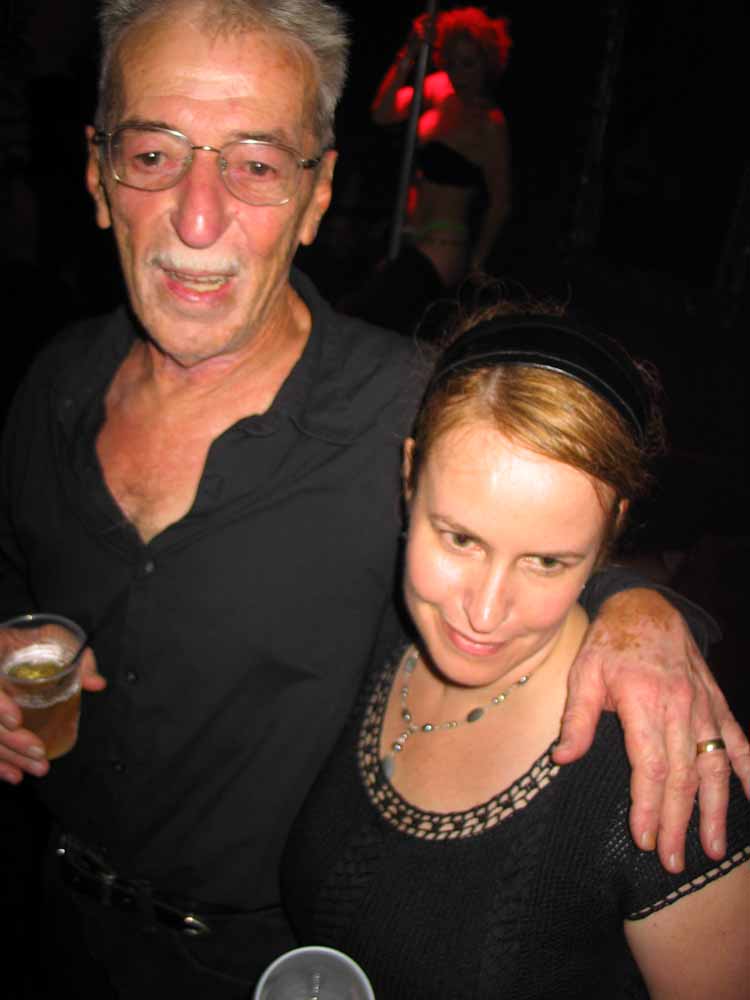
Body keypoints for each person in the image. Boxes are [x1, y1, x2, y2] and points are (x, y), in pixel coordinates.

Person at [0, 1, 747, 996]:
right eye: (153, 156)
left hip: (265, 970)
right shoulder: (48, 384)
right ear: (99, 176)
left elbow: (543, 525)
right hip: (50, 929)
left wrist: (643, 613)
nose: (198, 218)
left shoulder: (408, 410)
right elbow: (16, 582)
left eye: (256, 165)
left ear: (317, 197)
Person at [282, 307, 750, 998]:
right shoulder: (374, 627)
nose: (484, 612)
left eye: (547, 561)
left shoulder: (666, 772)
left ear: (610, 533)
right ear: (409, 476)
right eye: (460, 539)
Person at [338, 7, 512, 335]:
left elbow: (501, 201)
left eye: (468, 64)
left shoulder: (489, 124)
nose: (459, 74)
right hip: (407, 235)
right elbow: (383, 112)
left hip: (442, 246)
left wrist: (477, 265)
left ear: (487, 62)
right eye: (452, 63)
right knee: (380, 328)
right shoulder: (438, 90)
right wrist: (409, 54)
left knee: (358, 316)